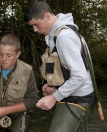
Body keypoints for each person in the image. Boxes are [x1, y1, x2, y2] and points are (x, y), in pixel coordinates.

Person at [24, 1, 95, 132]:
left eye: (35, 24)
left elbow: (79, 76)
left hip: (79, 97)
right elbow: (61, 67)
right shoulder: (54, 35)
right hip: (69, 93)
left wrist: (54, 97)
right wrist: (52, 86)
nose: (35, 30)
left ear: (47, 16)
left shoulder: (64, 37)